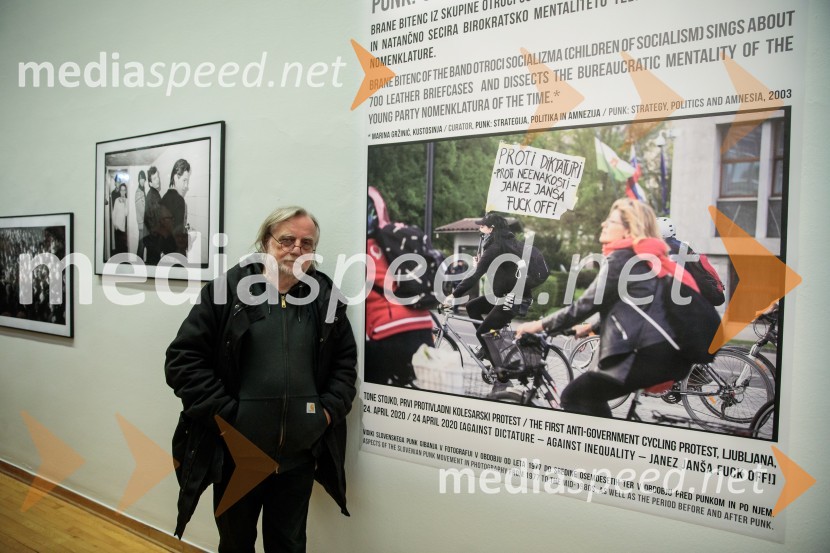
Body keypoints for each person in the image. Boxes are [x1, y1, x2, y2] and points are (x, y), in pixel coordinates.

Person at [165, 206, 357, 552]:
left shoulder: (326, 297)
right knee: (236, 544)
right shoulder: (228, 291)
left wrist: (327, 412)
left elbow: (345, 365)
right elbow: (183, 361)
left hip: (298, 458)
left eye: (306, 243)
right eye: (286, 239)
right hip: (239, 457)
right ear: (265, 241)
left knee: (289, 544)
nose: (296, 249)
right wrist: (228, 416)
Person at [515, 198, 698, 417]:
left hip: (648, 356)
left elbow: (585, 305)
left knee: (574, 396)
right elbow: (633, 307)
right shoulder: (642, 257)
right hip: (665, 356)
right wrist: (591, 328)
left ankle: (607, 447)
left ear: (628, 230)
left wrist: (537, 325)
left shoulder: (622, 258)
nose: (603, 224)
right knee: (592, 396)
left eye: (611, 222)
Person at [365, 186, 434, 386]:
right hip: (424, 330)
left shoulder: (360, 250)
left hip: (389, 334)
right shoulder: (399, 243)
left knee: (365, 387)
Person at [444, 212, 529, 363]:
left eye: (482, 226)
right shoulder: (505, 243)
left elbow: (475, 275)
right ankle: (489, 347)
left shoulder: (496, 248)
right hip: (505, 295)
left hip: (512, 298)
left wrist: (454, 295)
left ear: (491, 229)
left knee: (483, 333)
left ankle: (500, 374)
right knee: (472, 307)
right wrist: (482, 263)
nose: (480, 229)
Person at [161, 159, 190, 256]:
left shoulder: (163, 199)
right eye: (184, 181)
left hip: (165, 253)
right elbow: (179, 240)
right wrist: (189, 239)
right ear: (175, 177)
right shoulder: (180, 201)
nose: (186, 186)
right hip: (177, 256)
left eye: (187, 181)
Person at [145, 165, 163, 235]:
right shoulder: (154, 195)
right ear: (150, 183)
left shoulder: (152, 193)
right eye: (154, 178)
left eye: (157, 176)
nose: (158, 179)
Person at [111, 183, 128, 255]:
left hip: (123, 228)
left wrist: (125, 204)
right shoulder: (116, 200)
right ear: (120, 191)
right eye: (121, 190)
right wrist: (114, 224)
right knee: (118, 248)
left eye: (124, 190)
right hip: (117, 227)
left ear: (126, 191)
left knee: (123, 247)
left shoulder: (127, 200)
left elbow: (126, 213)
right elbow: (114, 213)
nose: (123, 192)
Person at [135, 170, 147, 246]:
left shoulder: (143, 190)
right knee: (141, 246)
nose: (142, 181)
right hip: (142, 223)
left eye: (143, 179)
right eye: (140, 179)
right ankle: (138, 258)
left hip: (143, 222)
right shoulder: (138, 192)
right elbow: (141, 210)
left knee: (142, 244)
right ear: (138, 180)